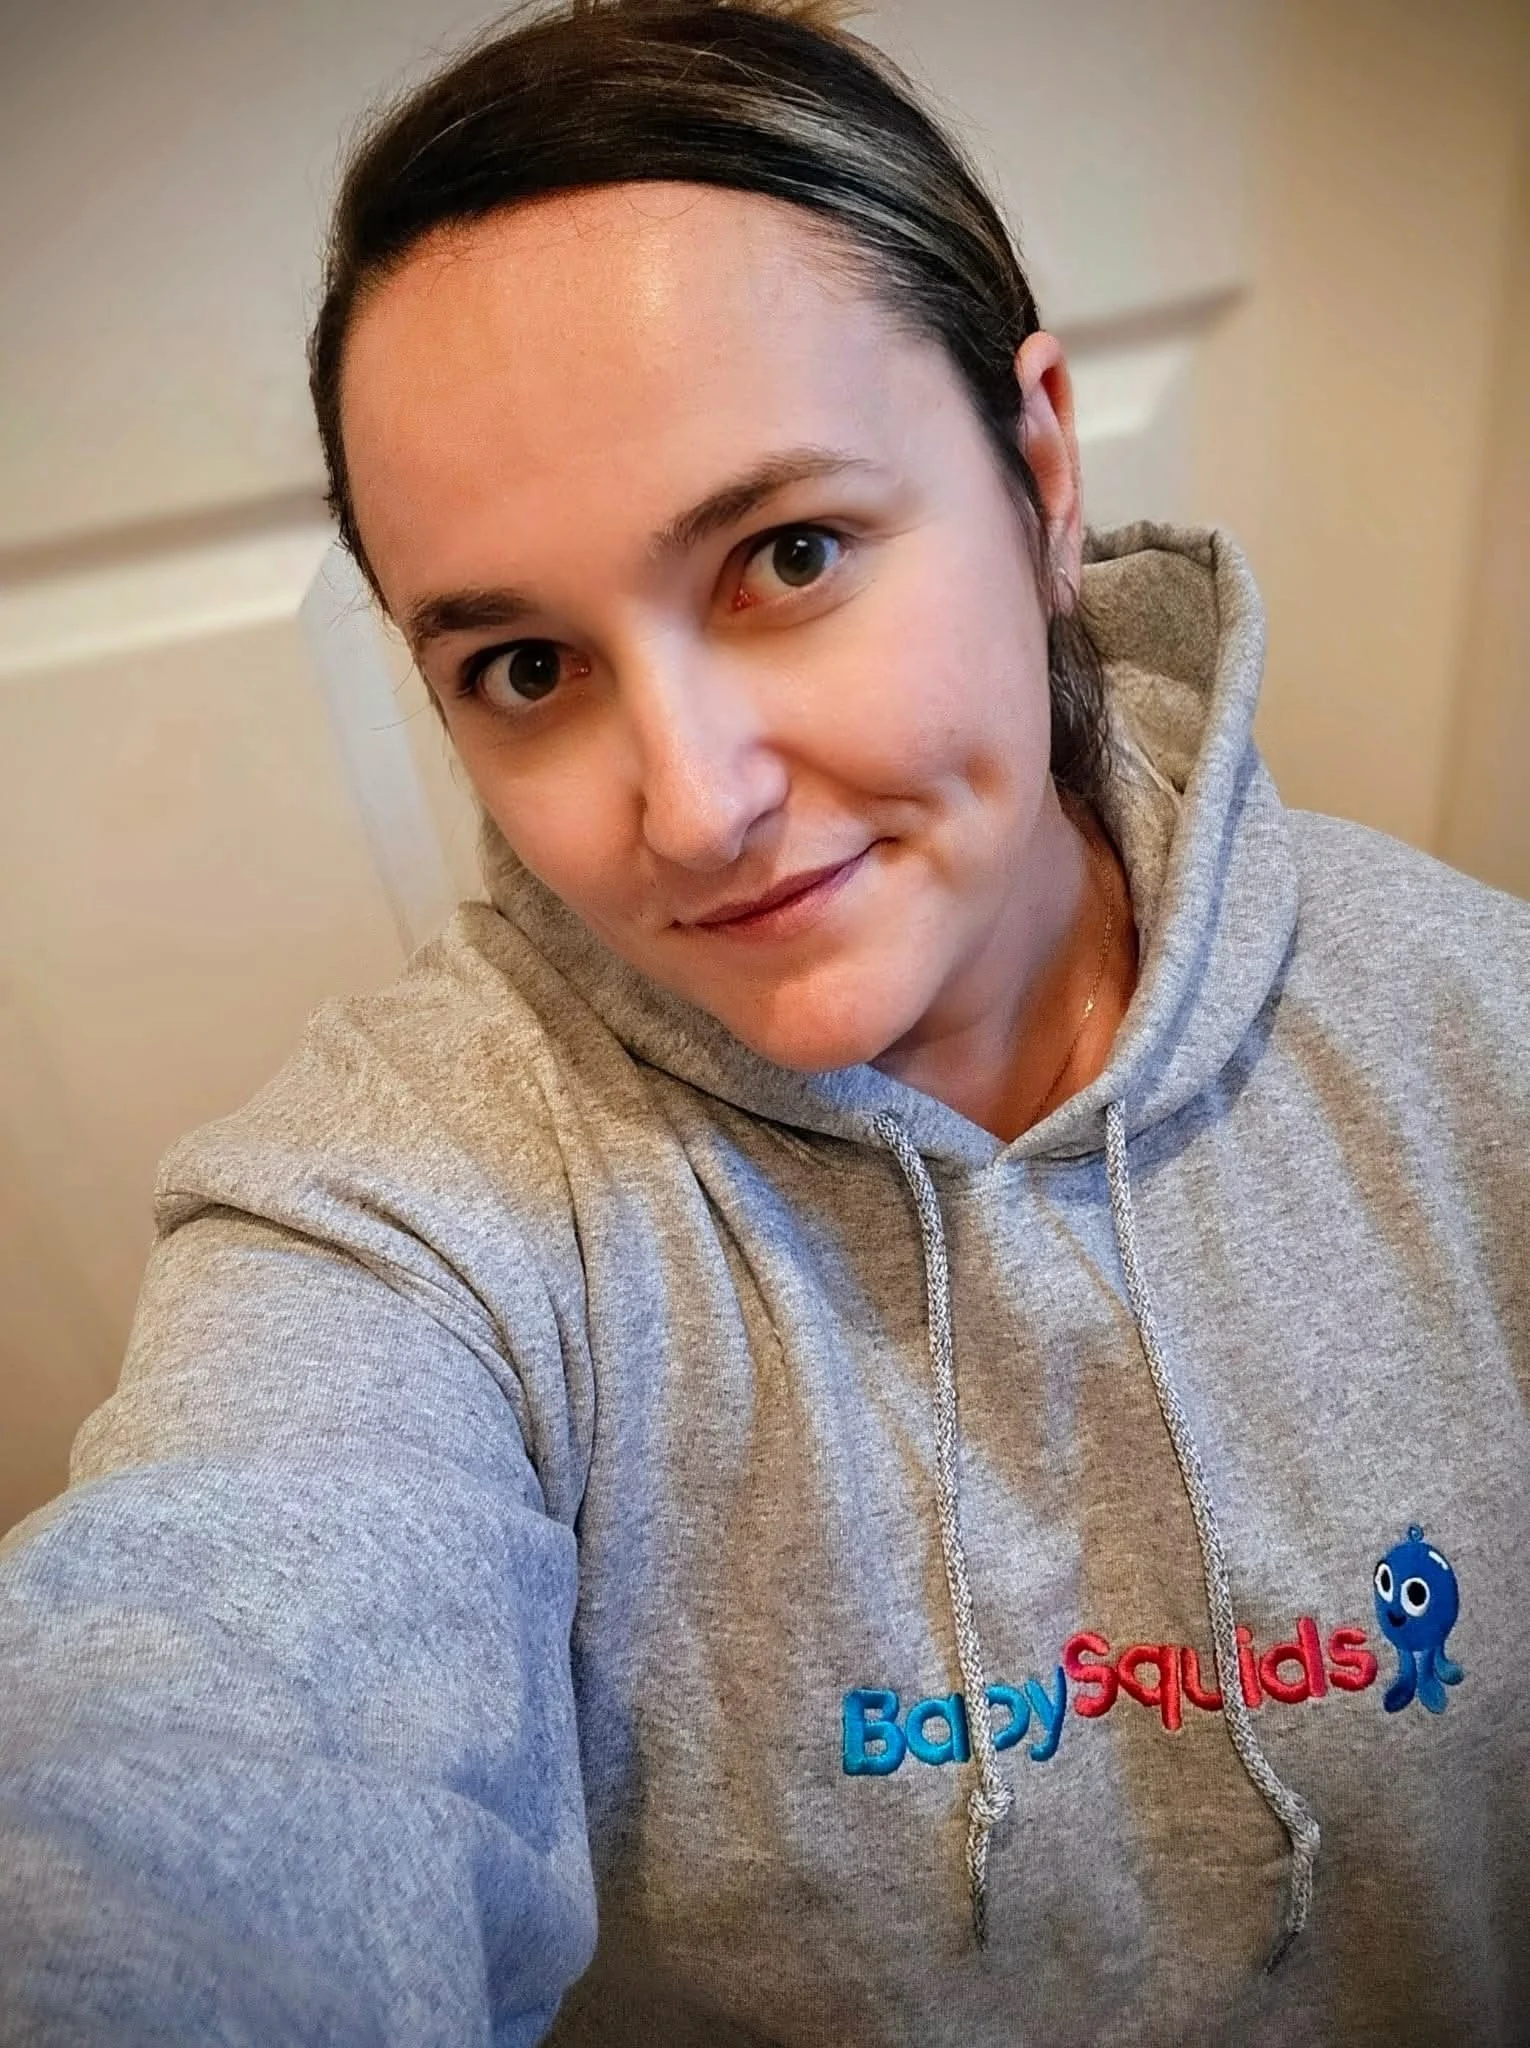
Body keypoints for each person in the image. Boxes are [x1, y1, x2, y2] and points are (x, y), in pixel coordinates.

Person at [2, 0, 1527, 2040]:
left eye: (786, 556)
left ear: (1041, 469)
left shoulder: (1482, 1044)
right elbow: (196, 1730)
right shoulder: (409, 1216)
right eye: (527, 665)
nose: (691, 805)